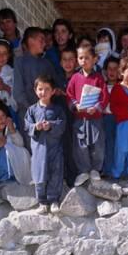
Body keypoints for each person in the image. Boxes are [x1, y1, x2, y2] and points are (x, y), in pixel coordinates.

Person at [66, 44, 109, 186]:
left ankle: (95, 169)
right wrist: (76, 105)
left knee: (98, 144)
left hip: (95, 118)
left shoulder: (98, 78)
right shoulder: (74, 78)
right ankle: (83, 170)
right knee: (80, 145)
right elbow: (69, 95)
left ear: (95, 59)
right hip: (80, 118)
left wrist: (96, 108)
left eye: (87, 58)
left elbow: (104, 96)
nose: (84, 61)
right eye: (81, 57)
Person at [25, 75, 66, 214]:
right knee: (39, 174)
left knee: (55, 173)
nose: (43, 92)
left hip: (54, 148)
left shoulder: (57, 109)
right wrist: (35, 127)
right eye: (40, 89)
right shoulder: (31, 110)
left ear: (53, 91)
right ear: (35, 91)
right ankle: (42, 202)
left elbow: (62, 125)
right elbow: (26, 126)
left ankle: (53, 199)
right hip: (38, 150)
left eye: (47, 89)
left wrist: (51, 126)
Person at [13, 27, 57, 149]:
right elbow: (18, 92)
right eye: (41, 39)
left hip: (46, 114)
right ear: (31, 40)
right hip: (27, 114)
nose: (45, 43)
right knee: (31, 149)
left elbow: (54, 86)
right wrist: (32, 110)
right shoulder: (19, 62)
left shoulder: (47, 64)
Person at [55, 47, 79, 187]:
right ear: (60, 62)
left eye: (71, 59)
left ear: (76, 61)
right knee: (64, 147)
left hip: (77, 118)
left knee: (76, 148)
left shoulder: (80, 77)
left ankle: (76, 176)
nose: (68, 63)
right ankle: (66, 177)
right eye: (65, 59)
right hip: (61, 118)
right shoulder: (56, 78)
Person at [102, 56, 120, 178]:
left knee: (118, 144)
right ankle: (107, 170)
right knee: (107, 144)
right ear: (105, 71)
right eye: (109, 69)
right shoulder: (101, 86)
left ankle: (118, 170)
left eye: (115, 69)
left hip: (119, 119)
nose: (112, 72)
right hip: (105, 118)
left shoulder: (122, 87)